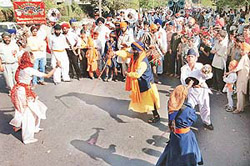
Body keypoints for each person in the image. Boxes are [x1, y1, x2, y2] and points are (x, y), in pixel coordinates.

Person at [9, 51, 60, 144]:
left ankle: (34, 128)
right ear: (28, 59)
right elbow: (48, 75)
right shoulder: (29, 70)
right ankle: (27, 137)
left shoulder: (20, 67)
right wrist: (56, 67)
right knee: (29, 114)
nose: (34, 59)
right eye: (32, 58)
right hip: (24, 92)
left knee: (35, 109)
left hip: (20, 90)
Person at [156, 84, 203, 166]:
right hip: (185, 136)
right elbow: (193, 119)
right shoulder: (188, 110)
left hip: (174, 134)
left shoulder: (171, 104)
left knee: (173, 154)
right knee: (185, 157)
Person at [116, 41, 161, 123]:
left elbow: (137, 74)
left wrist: (127, 74)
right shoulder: (136, 55)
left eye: (134, 50)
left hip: (147, 83)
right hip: (141, 83)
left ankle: (156, 116)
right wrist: (115, 53)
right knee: (146, 100)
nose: (132, 51)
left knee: (150, 101)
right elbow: (126, 54)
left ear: (138, 50)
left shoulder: (142, 62)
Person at [180, 48, 214, 130]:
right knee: (189, 107)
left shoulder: (200, 66)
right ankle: (187, 123)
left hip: (202, 90)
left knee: (205, 107)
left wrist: (206, 72)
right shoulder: (184, 68)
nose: (190, 58)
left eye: (192, 56)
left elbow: (208, 76)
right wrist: (192, 85)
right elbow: (183, 80)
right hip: (192, 91)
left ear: (196, 58)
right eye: (188, 56)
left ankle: (207, 122)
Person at [225, 42, 250, 113]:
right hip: (243, 77)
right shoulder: (245, 57)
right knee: (240, 93)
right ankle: (240, 106)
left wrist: (228, 72)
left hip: (242, 78)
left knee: (240, 93)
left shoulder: (244, 58)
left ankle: (239, 109)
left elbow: (237, 68)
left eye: (243, 50)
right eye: (241, 49)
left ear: (247, 51)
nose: (241, 51)